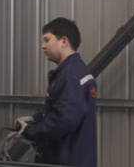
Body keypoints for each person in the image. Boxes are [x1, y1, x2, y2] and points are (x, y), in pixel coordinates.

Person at [18, 17, 97, 167]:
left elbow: (63, 121)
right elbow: (63, 109)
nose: (43, 46)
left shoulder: (70, 76)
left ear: (64, 41)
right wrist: (36, 118)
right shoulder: (75, 71)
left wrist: (29, 130)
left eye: (47, 40)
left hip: (66, 160)